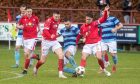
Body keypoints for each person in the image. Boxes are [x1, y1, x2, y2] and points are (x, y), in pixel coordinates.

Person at [76, 6, 111, 76]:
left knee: (99, 57)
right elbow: (79, 35)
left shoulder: (95, 23)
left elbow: (103, 19)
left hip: (96, 44)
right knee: (83, 57)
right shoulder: (82, 27)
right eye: (86, 19)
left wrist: (105, 11)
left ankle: (103, 69)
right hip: (87, 45)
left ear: (92, 19)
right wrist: (76, 43)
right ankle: (81, 72)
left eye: (89, 19)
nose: (87, 20)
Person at [33, 11, 67, 78]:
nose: (57, 18)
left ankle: (60, 74)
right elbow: (45, 31)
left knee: (61, 55)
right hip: (46, 41)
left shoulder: (58, 21)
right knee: (42, 61)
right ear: (53, 15)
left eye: (58, 17)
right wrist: (50, 36)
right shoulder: (49, 21)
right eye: (56, 17)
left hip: (54, 41)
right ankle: (36, 67)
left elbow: (54, 30)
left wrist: (55, 35)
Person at [16, 6, 40, 74]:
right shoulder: (23, 18)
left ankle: (25, 70)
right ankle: (35, 56)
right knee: (27, 55)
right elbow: (17, 25)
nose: (29, 13)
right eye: (28, 11)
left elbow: (38, 24)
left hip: (33, 38)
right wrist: (19, 26)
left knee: (27, 54)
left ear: (32, 12)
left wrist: (39, 30)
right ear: (26, 12)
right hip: (25, 38)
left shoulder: (35, 18)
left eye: (30, 11)